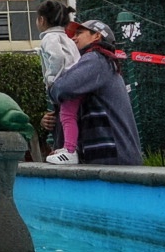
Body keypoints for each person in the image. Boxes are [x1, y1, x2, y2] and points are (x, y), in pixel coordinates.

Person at [46, 19, 141, 165]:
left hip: (114, 159)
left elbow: (63, 89)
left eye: (79, 33)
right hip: (116, 157)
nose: (74, 38)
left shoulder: (96, 59)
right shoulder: (104, 62)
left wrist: (51, 85)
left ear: (96, 36)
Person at [37, 1, 82, 164]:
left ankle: (70, 150)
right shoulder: (67, 38)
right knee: (69, 116)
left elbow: (57, 57)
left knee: (67, 116)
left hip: (66, 84)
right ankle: (68, 147)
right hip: (76, 81)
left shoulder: (49, 38)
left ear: (42, 20)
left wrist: (51, 79)